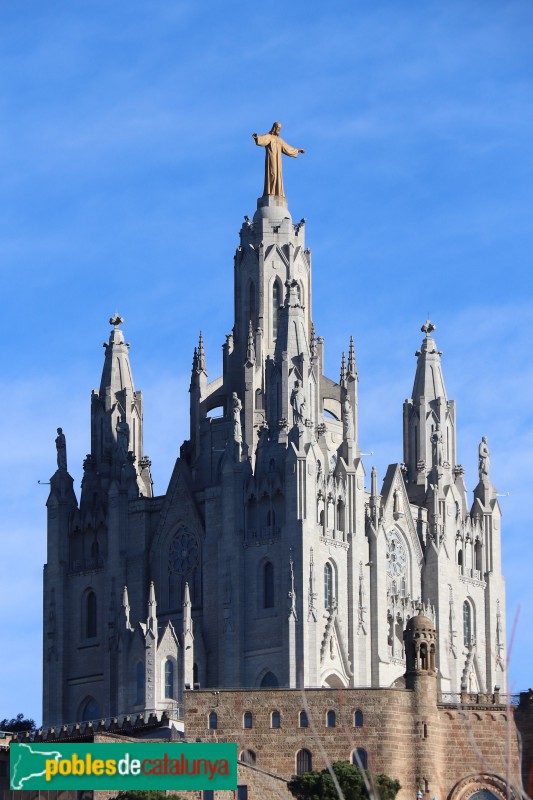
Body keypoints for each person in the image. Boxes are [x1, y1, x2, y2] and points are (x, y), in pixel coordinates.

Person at [252, 122, 304, 197]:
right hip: (271, 159)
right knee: (272, 173)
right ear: (274, 128)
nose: (279, 130)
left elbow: (287, 148)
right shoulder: (269, 137)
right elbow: (262, 140)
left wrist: (297, 151)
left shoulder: (279, 140)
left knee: (278, 175)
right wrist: (257, 138)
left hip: (278, 161)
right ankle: (270, 191)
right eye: (278, 128)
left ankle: (278, 192)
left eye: (280, 128)